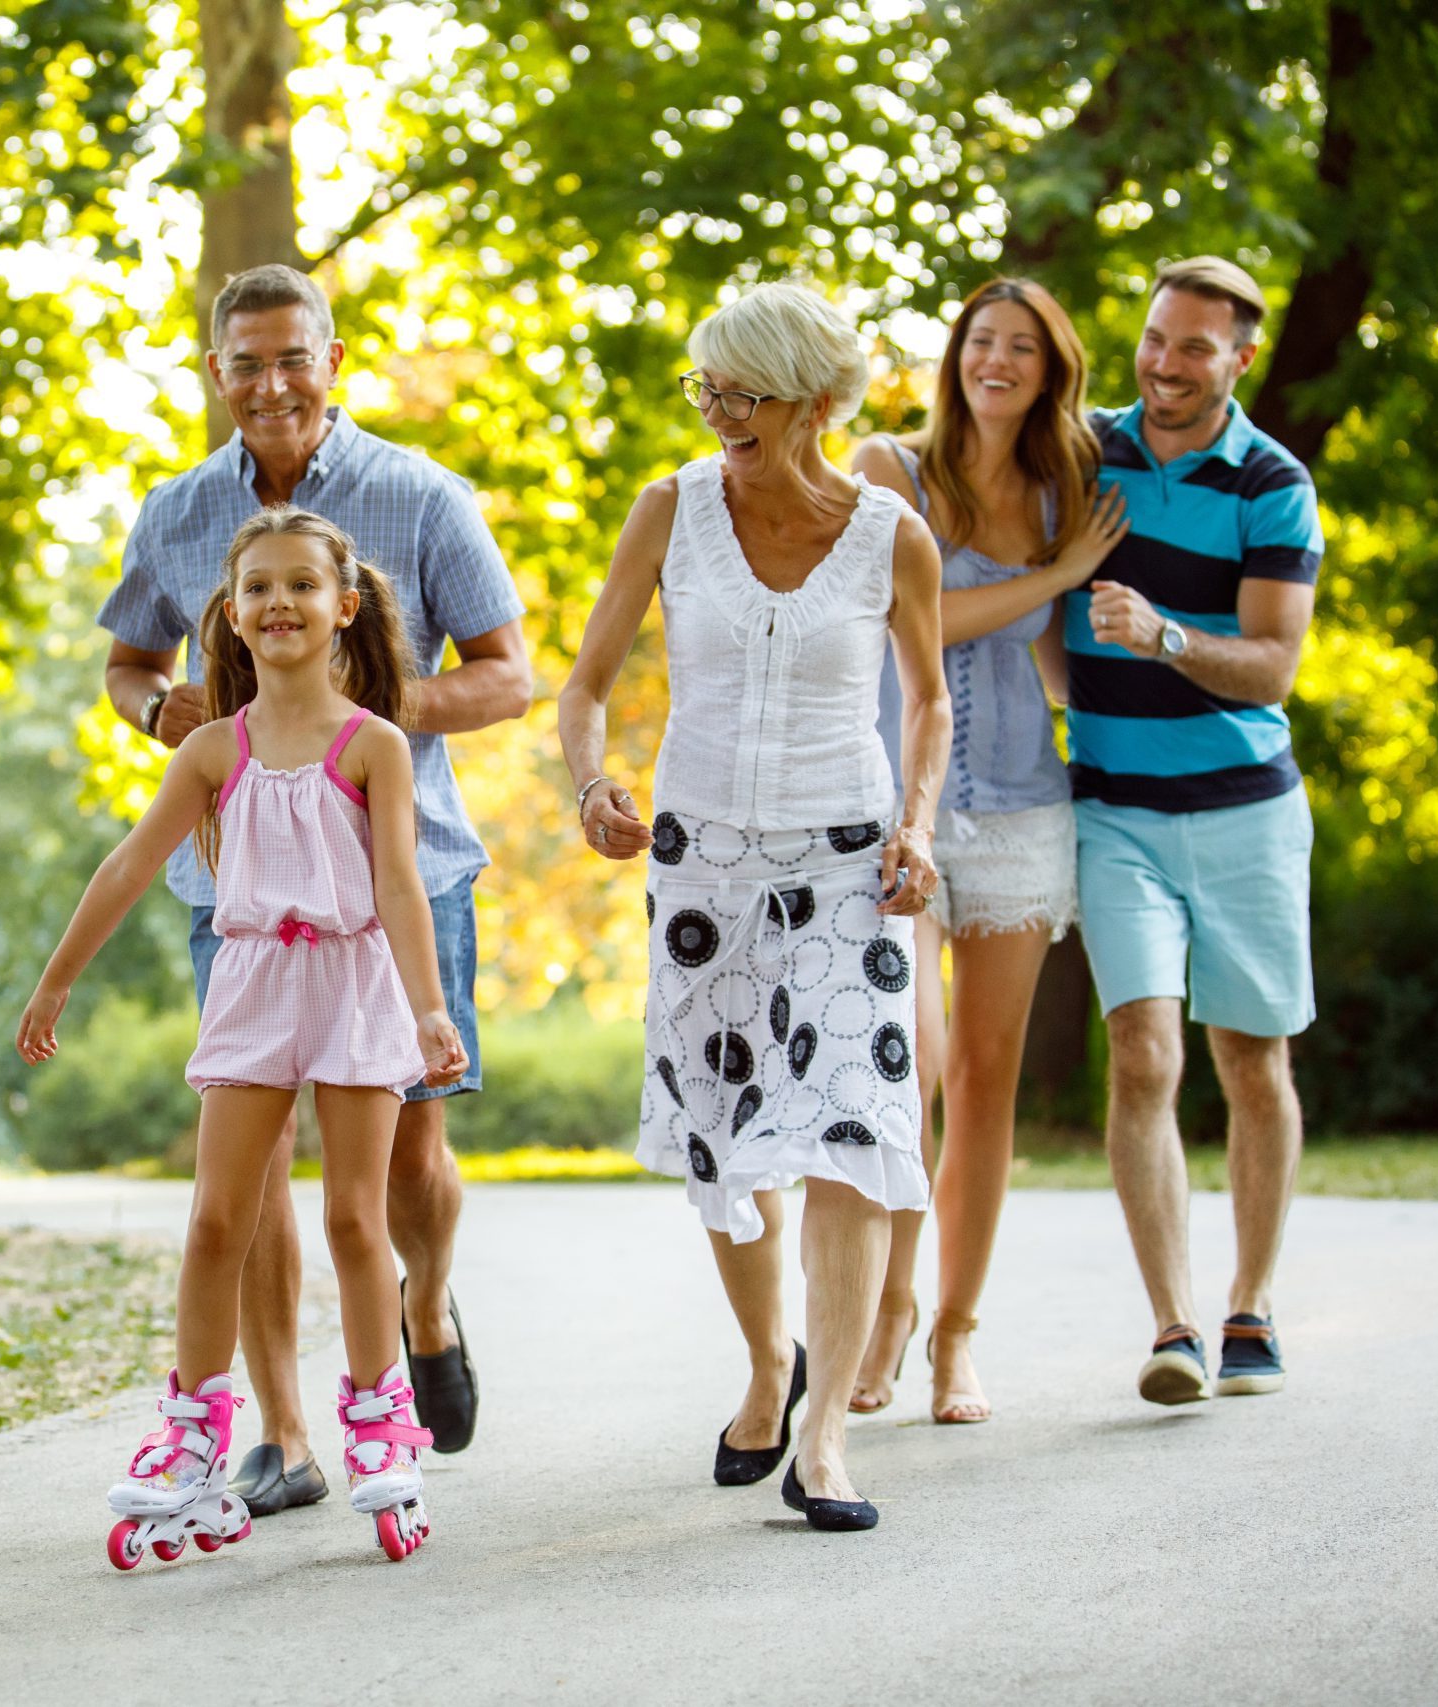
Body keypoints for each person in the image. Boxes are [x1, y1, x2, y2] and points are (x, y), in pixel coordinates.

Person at [97, 263, 529, 1511]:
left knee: (404, 1166)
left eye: (294, 357)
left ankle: (426, 1307)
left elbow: (505, 676)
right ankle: (284, 1433)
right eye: (246, 363)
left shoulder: (421, 496)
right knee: (252, 1152)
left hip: (404, 873)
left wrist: (358, 720)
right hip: (234, 888)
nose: (271, 383)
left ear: (331, 360)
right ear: (216, 374)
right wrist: (155, 712)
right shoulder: (178, 513)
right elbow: (129, 664)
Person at [558, 280, 951, 1531]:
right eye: (708, 388)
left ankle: (825, 1437)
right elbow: (585, 686)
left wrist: (920, 824)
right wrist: (590, 784)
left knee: (850, 1131)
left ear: (818, 401)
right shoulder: (669, 511)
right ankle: (764, 1366)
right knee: (727, 1134)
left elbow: (930, 701)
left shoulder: (893, 534)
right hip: (703, 866)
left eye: (746, 392)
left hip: (845, 866)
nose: (720, 410)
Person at [21, 507, 470, 1569]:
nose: (279, 603)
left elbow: (402, 885)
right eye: (257, 587)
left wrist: (429, 1006)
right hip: (253, 982)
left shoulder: (376, 747)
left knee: (357, 1222)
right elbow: (130, 866)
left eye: (301, 586)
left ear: (343, 608)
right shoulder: (213, 749)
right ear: (230, 613)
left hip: (356, 981)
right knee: (218, 1217)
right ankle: (194, 1440)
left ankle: (376, 1429)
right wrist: (55, 983)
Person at [844, 279, 1130, 1423]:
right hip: (898, 806)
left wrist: (1129, 719)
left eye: (1021, 347)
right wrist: (1053, 579)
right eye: (980, 340)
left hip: (1020, 802)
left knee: (986, 1077)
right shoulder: (887, 471)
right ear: (952, 355)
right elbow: (890, 620)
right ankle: (889, 1308)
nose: (995, 360)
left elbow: (1056, 660)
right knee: (905, 1065)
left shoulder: (1067, 495)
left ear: (1050, 372)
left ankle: (957, 1334)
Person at [1066, 256, 1323, 1405]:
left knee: (1250, 1063)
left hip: (1244, 816)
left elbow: (1272, 665)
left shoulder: (1271, 482)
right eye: (1154, 339)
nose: (1163, 365)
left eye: (1192, 348)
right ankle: (1171, 1326)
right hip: (1114, 808)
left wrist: (1163, 635)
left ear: (1240, 358)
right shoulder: (1082, 454)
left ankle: (1249, 1307)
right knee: (1142, 1054)